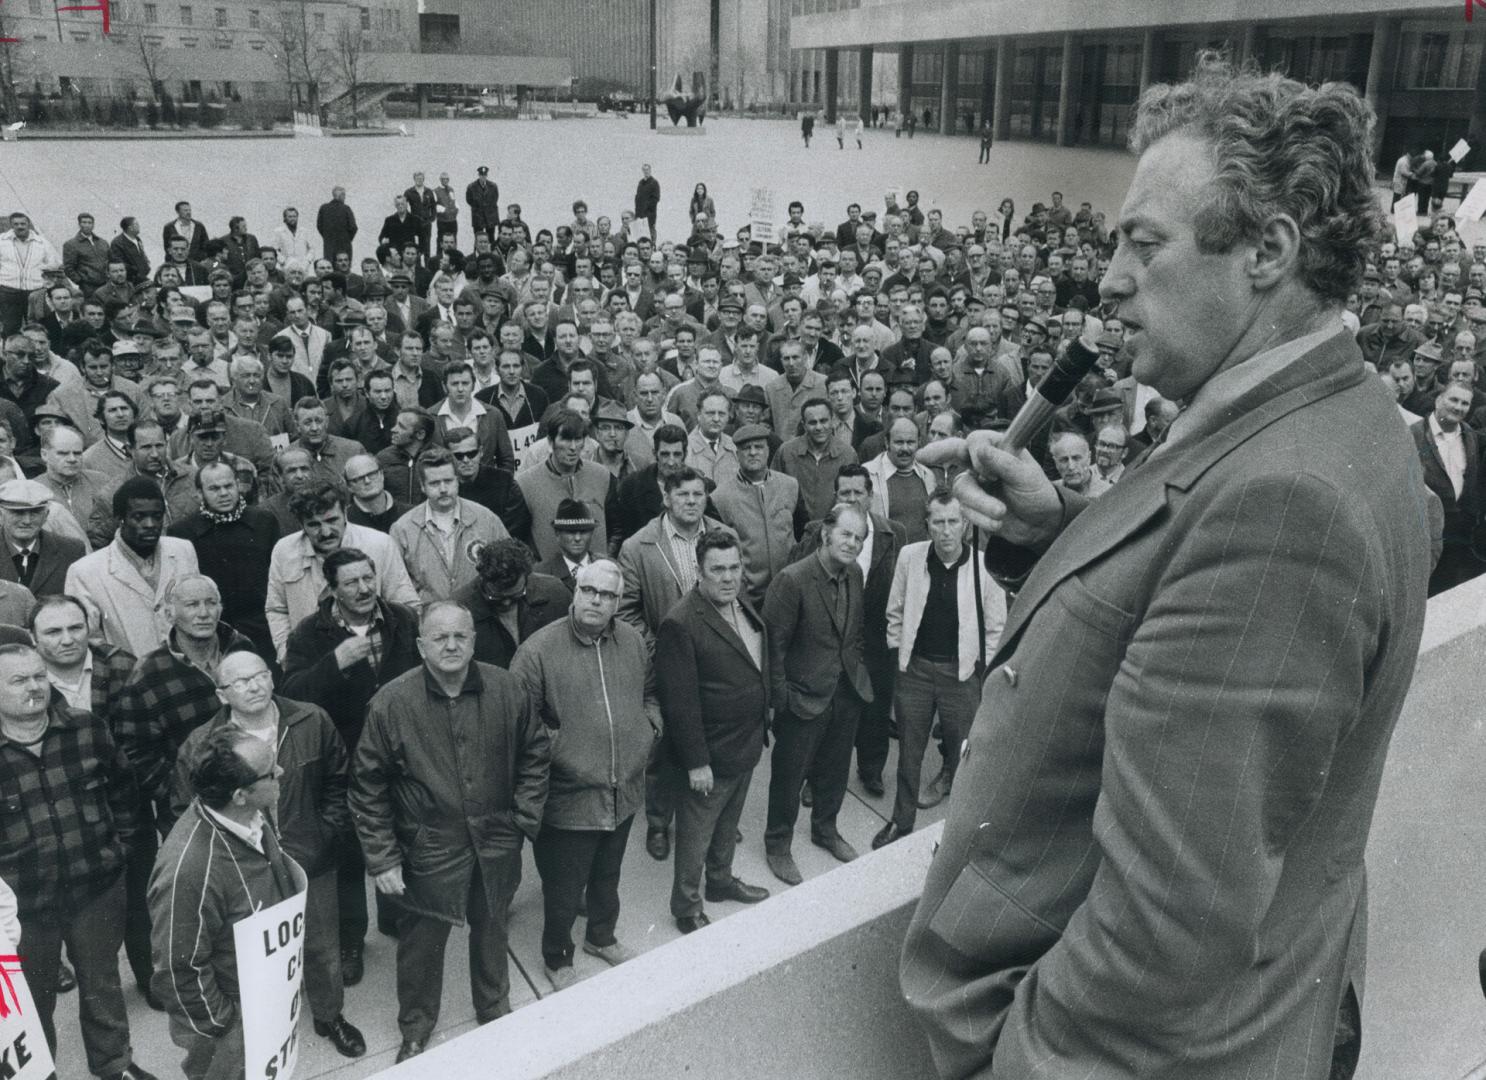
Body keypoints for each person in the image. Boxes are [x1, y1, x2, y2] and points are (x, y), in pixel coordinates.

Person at [902, 56, 1433, 1080]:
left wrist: (1012, 1057)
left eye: (1144, 243)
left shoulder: (1289, 509)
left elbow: (1167, 925)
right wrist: (1048, 535)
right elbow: (1182, 606)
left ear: (1268, 251)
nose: (1107, 278)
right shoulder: (1335, 418)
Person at [355, 600, 550, 1062]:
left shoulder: (507, 688)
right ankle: (416, 1028)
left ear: (474, 639)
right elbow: (367, 786)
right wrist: (382, 858)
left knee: (492, 927)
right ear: (421, 645)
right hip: (429, 847)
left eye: (460, 635)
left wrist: (523, 819)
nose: (451, 645)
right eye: (439, 637)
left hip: (496, 838)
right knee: (422, 944)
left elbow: (536, 754)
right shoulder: (391, 703)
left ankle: (494, 1005)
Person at [168, 650, 365, 1059]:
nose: (255, 686)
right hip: (243, 874)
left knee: (322, 947)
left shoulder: (312, 720)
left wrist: (324, 834)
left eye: (260, 675)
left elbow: (339, 781)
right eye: (240, 682)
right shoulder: (201, 745)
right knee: (255, 957)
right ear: (222, 695)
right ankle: (270, 1025)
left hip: (310, 862)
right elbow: (185, 808)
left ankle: (330, 1016)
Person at [0, 642, 157, 1080]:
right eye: (18, 680)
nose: (34, 687)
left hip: (95, 890)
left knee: (102, 986)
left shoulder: (88, 729)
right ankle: (38, 1072)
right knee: (31, 999)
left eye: (38, 676)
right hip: (23, 909)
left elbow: (125, 793)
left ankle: (115, 1066)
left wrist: (119, 852)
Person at [512, 560, 659, 991]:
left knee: (608, 874)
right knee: (563, 886)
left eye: (608, 595)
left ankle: (601, 937)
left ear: (618, 601)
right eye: (590, 590)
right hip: (569, 797)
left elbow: (649, 693)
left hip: (624, 789)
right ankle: (557, 958)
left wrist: (649, 731)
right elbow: (520, 726)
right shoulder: (538, 651)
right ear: (575, 590)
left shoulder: (632, 641)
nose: (597, 600)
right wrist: (562, 751)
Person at [280, 548, 421, 976]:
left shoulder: (401, 619)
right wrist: (334, 664)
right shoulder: (311, 633)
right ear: (332, 589)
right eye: (351, 582)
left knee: (400, 836)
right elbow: (292, 693)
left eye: (368, 578)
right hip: (345, 759)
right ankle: (351, 941)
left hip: (400, 755)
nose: (363, 589)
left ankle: (395, 914)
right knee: (350, 853)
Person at [149, 726, 301, 1080]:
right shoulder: (189, 869)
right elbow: (177, 969)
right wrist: (225, 1026)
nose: (280, 772)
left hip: (264, 992)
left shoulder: (248, 816)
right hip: (230, 1019)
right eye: (270, 771)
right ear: (240, 795)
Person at [873, 492, 1005, 849]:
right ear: (927, 524)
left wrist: (984, 674)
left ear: (965, 525)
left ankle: (956, 836)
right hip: (914, 671)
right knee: (909, 753)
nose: (946, 531)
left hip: (960, 677)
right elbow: (895, 610)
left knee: (965, 757)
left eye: (953, 522)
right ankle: (901, 822)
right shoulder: (910, 557)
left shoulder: (983, 566)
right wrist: (898, 654)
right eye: (938, 522)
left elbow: (995, 628)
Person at [655, 529, 771, 934]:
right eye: (717, 569)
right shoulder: (681, 622)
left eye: (734, 567)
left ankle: (720, 882)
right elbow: (679, 701)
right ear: (698, 572)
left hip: (746, 743)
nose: (728, 577)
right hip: (712, 754)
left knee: (727, 825)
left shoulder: (742, 602)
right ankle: (686, 907)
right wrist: (697, 762)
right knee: (696, 834)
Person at [761, 503, 874, 886]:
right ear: (826, 533)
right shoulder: (792, 580)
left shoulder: (855, 574)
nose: (852, 544)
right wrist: (782, 703)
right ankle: (778, 844)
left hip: (844, 694)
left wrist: (854, 675)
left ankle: (825, 829)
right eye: (846, 534)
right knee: (789, 778)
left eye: (859, 538)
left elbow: (854, 632)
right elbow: (772, 649)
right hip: (801, 700)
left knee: (834, 771)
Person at [265, 480, 420, 658]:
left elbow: (406, 605)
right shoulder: (284, 551)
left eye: (332, 520)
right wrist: (287, 654)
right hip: (311, 660)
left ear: (345, 512)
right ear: (301, 524)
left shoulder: (379, 544)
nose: (325, 532)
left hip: (374, 656)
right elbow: (277, 609)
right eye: (314, 525)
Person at [64, 476, 200, 657]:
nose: (150, 524)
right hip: (128, 677)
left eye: (156, 516)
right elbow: (86, 638)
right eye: (139, 517)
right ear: (119, 518)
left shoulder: (183, 550)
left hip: (188, 669)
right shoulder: (85, 571)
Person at [167, 460, 281, 663]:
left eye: (228, 486)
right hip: (213, 631)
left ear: (238, 486)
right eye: (214, 489)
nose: (223, 493)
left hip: (263, 628)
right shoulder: (183, 532)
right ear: (200, 494)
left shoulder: (264, 521)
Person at [389, 447, 510, 604]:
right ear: (422, 486)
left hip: (481, 616)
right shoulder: (402, 529)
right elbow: (396, 584)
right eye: (434, 483)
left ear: (457, 479)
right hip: (429, 621)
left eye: (448, 481)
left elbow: (508, 567)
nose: (443, 489)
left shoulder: (486, 519)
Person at [709, 423, 805, 606]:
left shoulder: (790, 485)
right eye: (746, 449)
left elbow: (802, 535)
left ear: (768, 451)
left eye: (758, 447)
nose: (753, 453)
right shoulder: (720, 497)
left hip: (789, 590)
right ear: (737, 455)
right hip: (747, 597)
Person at [1410, 381, 1483, 596]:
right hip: (1424, 539)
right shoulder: (1413, 436)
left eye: (1464, 403)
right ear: (1438, 400)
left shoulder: (1469, 435)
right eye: (1453, 399)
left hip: (1456, 540)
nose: (1458, 407)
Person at [452, 537, 570, 669]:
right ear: (482, 579)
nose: (507, 603)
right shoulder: (457, 610)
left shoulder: (555, 594)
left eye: (516, 596)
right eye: (496, 598)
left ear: (526, 577)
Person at [0, 474, 85, 597]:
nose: (27, 521)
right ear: (1, 515)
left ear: (46, 515)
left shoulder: (72, 551)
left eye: (35, 512)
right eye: (18, 512)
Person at [317, 186, 359, 263]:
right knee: (344, 268)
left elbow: (319, 226)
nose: (344, 198)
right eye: (344, 196)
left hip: (329, 245)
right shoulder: (346, 208)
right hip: (344, 246)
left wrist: (327, 237)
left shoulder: (323, 208)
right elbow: (353, 227)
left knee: (330, 268)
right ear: (341, 196)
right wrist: (347, 239)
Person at [634, 164, 661, 241]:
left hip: (649, 214)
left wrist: (646, 208)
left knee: (650, 233)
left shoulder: (654, 182)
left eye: (647, 170)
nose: (646, 171)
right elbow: (638, 197)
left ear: (650, 170)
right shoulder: (641, 183)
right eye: (644, 170)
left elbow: (656, 198)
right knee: (640, 235)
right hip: (639, 214)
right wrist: (637, 213)